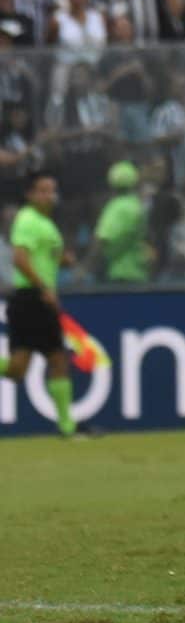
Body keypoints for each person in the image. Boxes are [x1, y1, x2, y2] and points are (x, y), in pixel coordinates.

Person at [5, 172, 81, 437]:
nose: (49, 196)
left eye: (52, 190)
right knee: (41, 364)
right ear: (30, 194)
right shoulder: (27, 220)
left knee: (42, 363)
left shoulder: (47, 224)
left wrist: (64, 261)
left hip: (38, 298)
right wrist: (44, 288)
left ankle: (66, 426)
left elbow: (45, 257)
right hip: (30, 298)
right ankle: (67, 426)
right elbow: (20, 259)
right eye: (42, 190)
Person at [85, 160, 153, 284]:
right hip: (139, 272)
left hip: (121, 275)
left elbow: (102, 239)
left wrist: (85, 269)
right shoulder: (136, 204)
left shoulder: (117, 207)